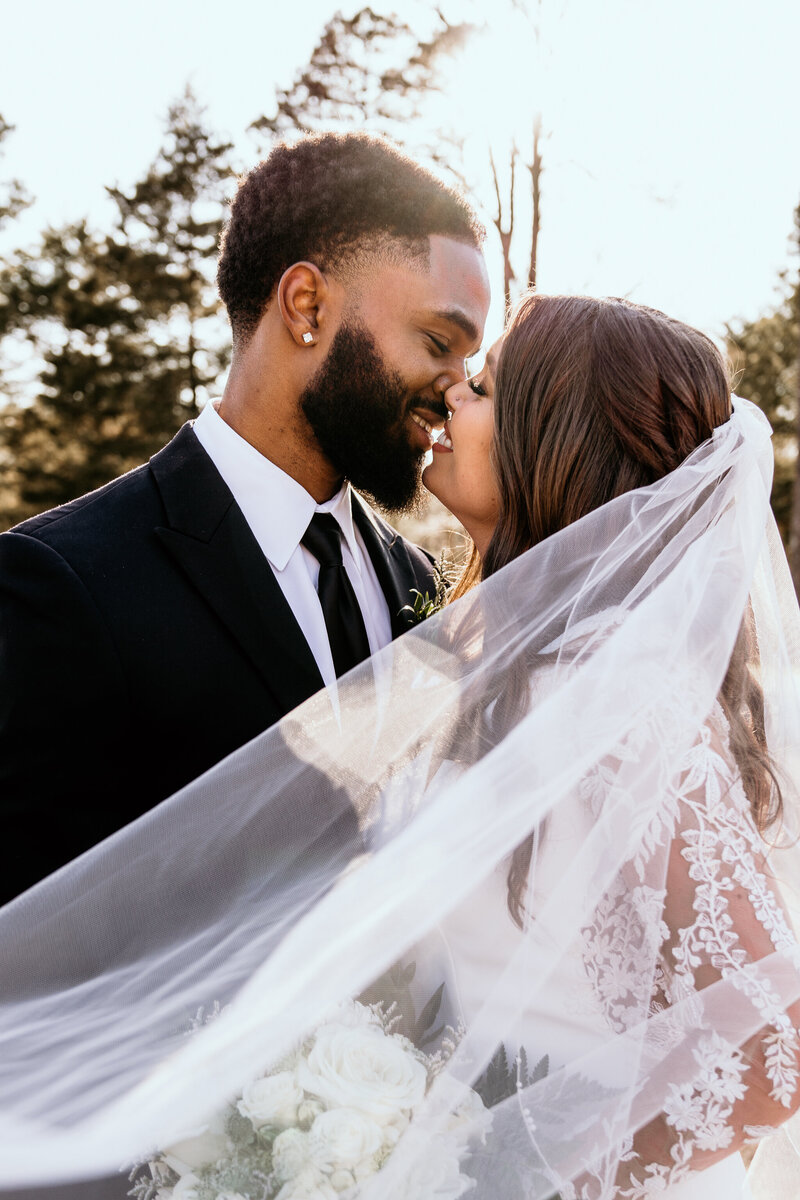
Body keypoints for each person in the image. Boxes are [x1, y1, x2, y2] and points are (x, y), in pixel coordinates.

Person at [2, 294, 800, 1200]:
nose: (452, 395)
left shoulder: (615, 694)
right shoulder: (492, 663)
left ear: (556, 437)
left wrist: (516, 1176)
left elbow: (774, 1040)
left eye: (488, 388)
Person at [0, 132, 490, 905]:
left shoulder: (417, 584)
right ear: (306, 305)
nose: (455, 389)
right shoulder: (65, 584)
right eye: (438, 341)